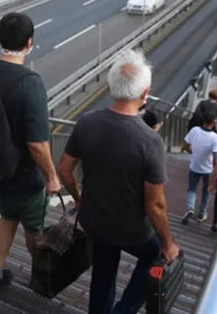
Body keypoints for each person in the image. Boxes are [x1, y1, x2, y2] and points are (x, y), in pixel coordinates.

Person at [58, 49, 180, 313]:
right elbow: (155, 206)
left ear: (111, 85)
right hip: (132, 229)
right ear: (145, 93)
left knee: (104, 267)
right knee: (155, 253)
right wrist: (169, 243)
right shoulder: (149, 141)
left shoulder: (87, 122)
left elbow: (65, 170)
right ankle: (124, 310)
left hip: (94, 219)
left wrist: (79, 198)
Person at [0, 12, 61, 295]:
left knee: (7, 218)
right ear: (29, 42)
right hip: (25, 176)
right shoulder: (30, 82)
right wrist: (52, 177)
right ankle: (41, 278)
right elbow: (37, 144)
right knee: (34, 228)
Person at [181, 111, 217, 225]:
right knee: (206, 191)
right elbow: (215, 156)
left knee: (192, 188)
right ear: (213, 122)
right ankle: (201, 214)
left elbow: (185, 146)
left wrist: (193, 153)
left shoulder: (194, 130)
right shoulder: (216, 138)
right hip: (208, 169)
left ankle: (189, 208)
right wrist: (216, 172)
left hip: (194, 165)